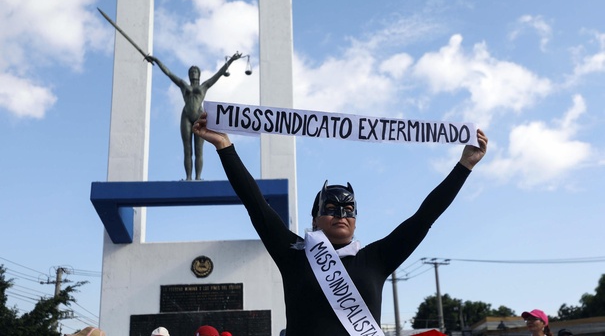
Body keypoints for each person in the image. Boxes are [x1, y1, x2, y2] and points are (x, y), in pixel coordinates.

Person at [193, 112, 488, 335]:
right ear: (315, 219)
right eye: (331, 208)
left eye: (349, 209)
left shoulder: (377, 258)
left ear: (356, 221)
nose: (341, 215)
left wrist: (465, 167)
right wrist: (224, 145)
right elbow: (255, 203)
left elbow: (425, 217)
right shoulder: (292, 253)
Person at [145, 52, 242, 180]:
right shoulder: (183, 84)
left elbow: (219, 74)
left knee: (198, 149)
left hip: (198, 116)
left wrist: (231, 61)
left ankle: (198, 177)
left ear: (199, 74)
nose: (193, 73)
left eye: (195, 71)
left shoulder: (204, 86)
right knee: (187, 149)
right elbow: (168, 73)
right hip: (186, 115)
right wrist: (156, 60)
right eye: (191, 71)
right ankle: (188, 177)